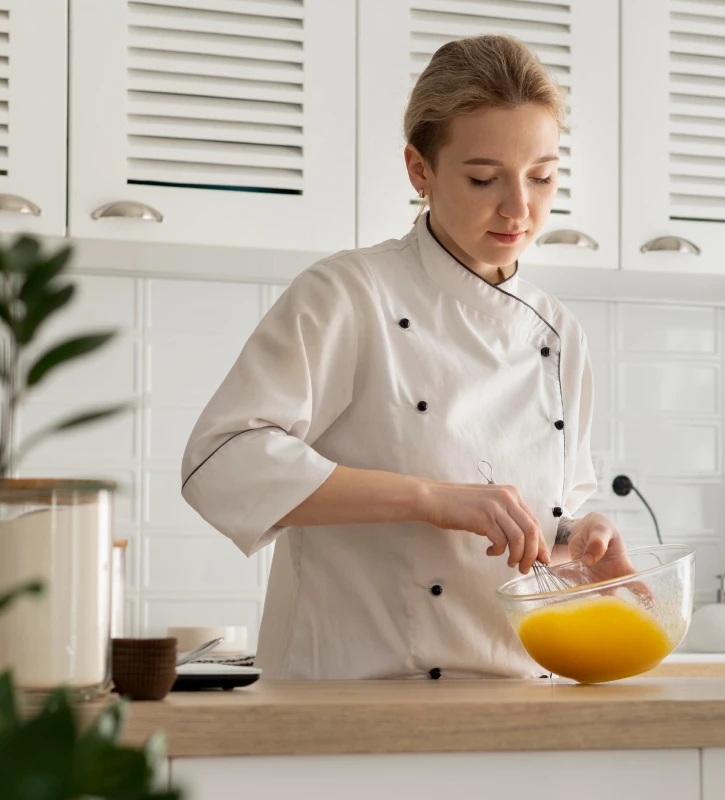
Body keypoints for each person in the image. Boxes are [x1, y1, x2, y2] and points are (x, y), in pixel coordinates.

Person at [181, 34, 631, 680]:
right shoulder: (350, 296)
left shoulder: (560, 334)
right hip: (353, 706)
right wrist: (428, 498)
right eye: (484, 178)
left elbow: (523, 538)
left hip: (518, 702)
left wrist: (575, 543)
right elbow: (219, 461)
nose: (519, 208)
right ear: (419, 171)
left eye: (542, 176)